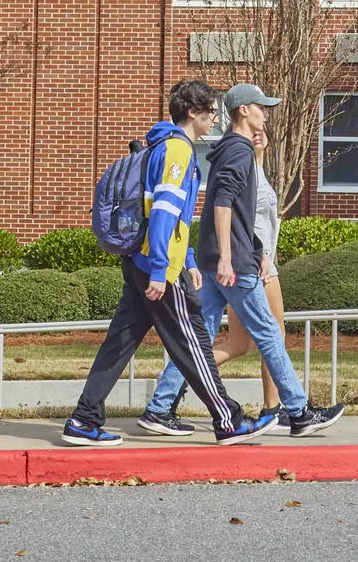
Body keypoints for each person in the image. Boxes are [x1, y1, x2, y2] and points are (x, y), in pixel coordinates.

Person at [60, 79, 278, 447]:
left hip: (142, 261)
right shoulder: (178, 151)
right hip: (158, 268)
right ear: (192, 112)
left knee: (120, 343)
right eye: (209, 112)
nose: (214, 120)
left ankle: (84, 418)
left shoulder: (161, 145)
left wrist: (189, 256)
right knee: (193, 343)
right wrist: (163, 270)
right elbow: (162, 213)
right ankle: (229, 420)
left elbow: (169, 217)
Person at [140, 84, 346, 438]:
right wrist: (228, 259)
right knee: (269, 333)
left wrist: (253, 251)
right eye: (261, 108)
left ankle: (159, 408)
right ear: (244, 111)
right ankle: (299, 413)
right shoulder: (238, 150)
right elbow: (221, 203)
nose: (266, 114)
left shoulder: (231, 150)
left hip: (226, 258)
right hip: (231, 264)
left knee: (198, 338)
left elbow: (238, 210)